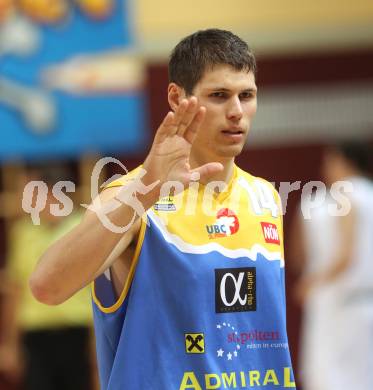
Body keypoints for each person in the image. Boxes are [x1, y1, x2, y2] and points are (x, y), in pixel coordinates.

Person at [30, 29, 295, 389]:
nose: (236, 112)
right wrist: (145, 192)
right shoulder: (131, 194)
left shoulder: (265, 197)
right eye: (219, 95)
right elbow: (47, 286)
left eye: (246, 95)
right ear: (176, 97)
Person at [0, 165, 95, 390]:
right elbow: (15, 290)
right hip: (36, 337)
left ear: (52, 193)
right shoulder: (23, 233)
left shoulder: (85, 228)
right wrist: (10, 344)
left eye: (32, 193)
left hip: (78, 334)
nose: (27, 200)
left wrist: (98, 340)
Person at [292, 141, 373, 390]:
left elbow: (345, 254)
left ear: (340, 160)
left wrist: (311, 282)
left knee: (326, 378)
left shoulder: (337, 196)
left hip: (336, 300)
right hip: (365, 300)